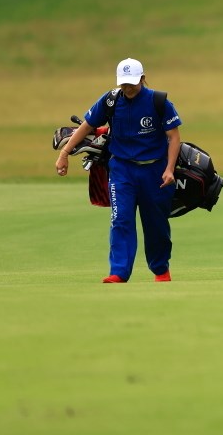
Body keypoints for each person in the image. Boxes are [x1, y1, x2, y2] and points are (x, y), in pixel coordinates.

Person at [54, 57, 182, 283]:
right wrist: (64, 154)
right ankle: (119, 272)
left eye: (132, 82)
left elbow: (173, 138)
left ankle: (161, 270)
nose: (128, 87)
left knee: (156, 225)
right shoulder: (111, 100)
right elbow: (87, 125)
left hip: (155, 172)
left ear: (143, 79)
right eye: (124, 83)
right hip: (122, 171)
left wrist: (170, 169)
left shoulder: (159, 102)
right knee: (120, 219)